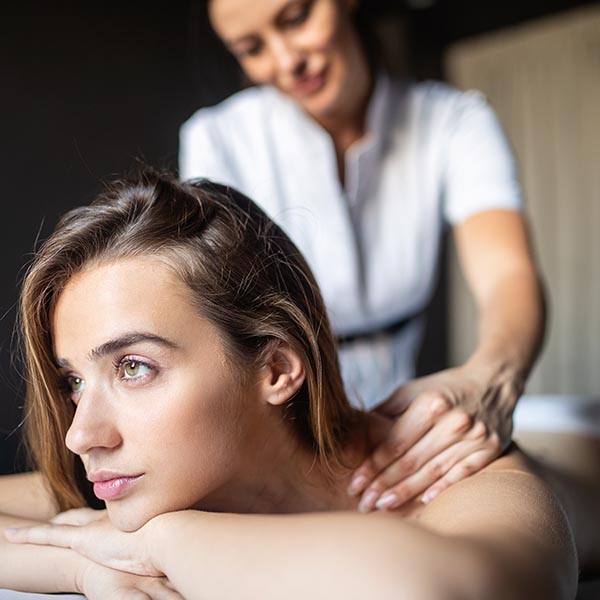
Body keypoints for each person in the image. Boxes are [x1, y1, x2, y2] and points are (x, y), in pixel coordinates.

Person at [1, 174, 597, 600]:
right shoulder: (158, 471)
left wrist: (158, 542)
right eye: (74, 380)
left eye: (135, 367)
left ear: (277, 370)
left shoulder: (446, 472)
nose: (81, 434)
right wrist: (79, 570)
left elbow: (449, 589)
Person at [179, 0, 547, 510]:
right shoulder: (217, 139)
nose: (287, 61)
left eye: (295, 19)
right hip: (280, 433)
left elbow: (508, 274)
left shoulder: (454, 121)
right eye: (252, 48)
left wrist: (490, 378)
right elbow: (218, 320)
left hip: (406, 427)